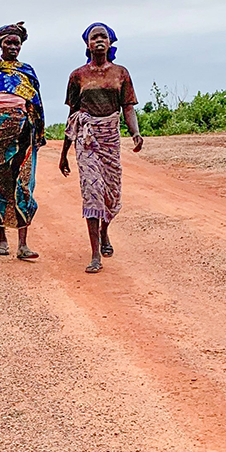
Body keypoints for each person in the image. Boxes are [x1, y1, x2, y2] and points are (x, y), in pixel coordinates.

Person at [59, 22, 143, 273]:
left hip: (110, 139)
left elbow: (127, 107)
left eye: (103, 36)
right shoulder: (77, 76)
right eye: (94, 37)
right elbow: (73, 114)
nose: (99, 40)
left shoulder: (121, 73)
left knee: (111, 193)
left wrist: (135, 133)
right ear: (87, 44)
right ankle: (95, 253)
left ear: (110, 43)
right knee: (92, 192)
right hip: (86, 140)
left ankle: (105, 231)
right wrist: (64, 152)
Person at [0, 22, 45, 260]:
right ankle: (2, 238)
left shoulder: (27, 72)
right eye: (8, 42)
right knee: (1, 187)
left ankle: (23, 244)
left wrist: (38, 136)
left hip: (24, 133)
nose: (13, 47)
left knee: (24, 186)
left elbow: (36, 106)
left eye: (17, 43)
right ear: (0, 43)